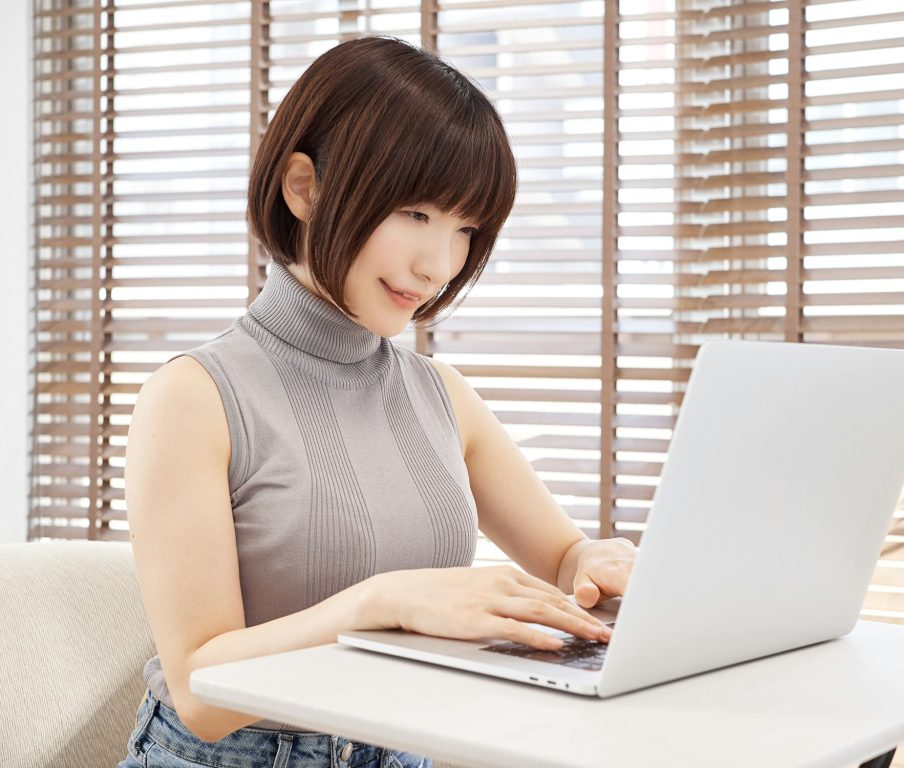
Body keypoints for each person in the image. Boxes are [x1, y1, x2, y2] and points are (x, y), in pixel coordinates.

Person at [120, 34, 637, 768]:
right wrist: (381, 604)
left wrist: (598, 562)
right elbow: (201, 693)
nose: (439, 266)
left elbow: (562, 558)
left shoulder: (441, 394)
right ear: (305, 188)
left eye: (466, 229)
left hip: (399, 746)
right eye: (416, 214)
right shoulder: (194, 397)